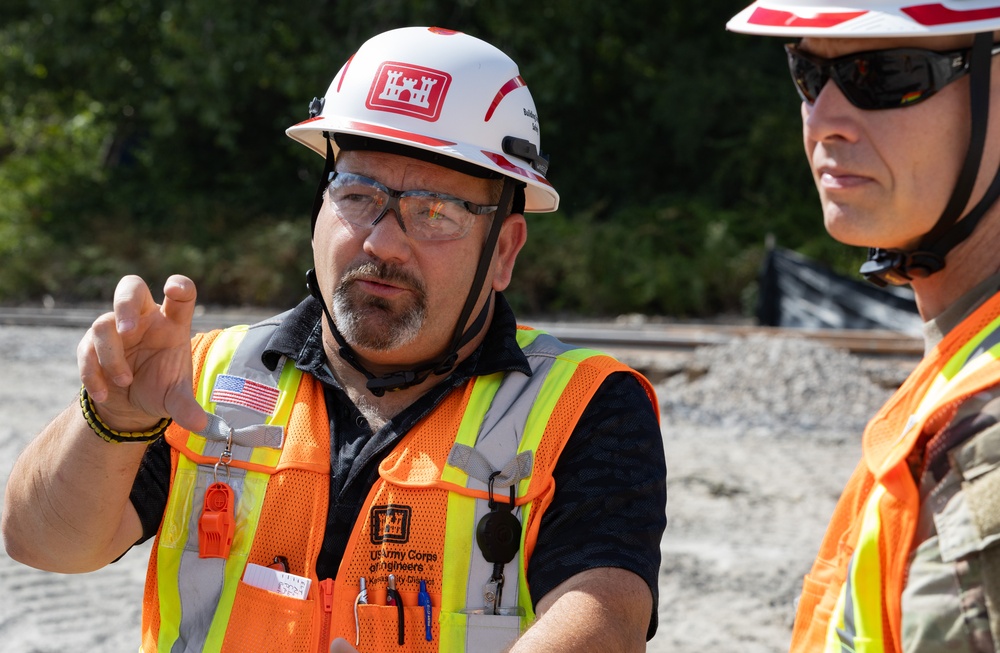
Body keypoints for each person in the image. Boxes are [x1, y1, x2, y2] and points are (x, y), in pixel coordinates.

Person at [1, 26, 666, 653]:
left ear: (503, 250)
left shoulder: (584, 406)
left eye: (434, 211)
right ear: (320, 204)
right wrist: (112, 416)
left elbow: (605, 617)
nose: (380, 241)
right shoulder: (202, 377)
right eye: (357, 194)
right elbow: (44, 544)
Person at [727, 2, 1000, 652]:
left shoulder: (987, 439)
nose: (823, 120)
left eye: (886, 74)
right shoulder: (962, 369)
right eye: (807, 73)